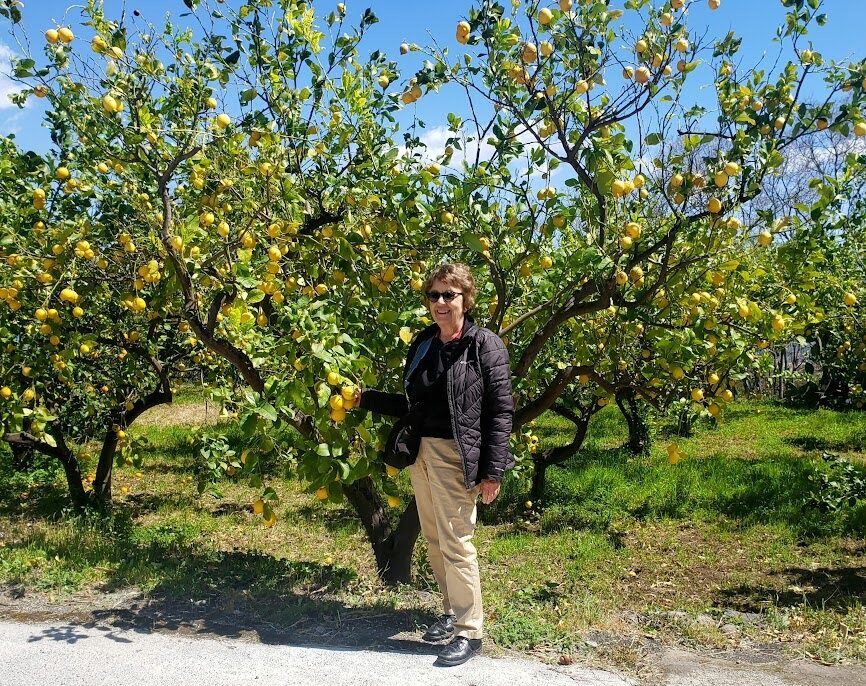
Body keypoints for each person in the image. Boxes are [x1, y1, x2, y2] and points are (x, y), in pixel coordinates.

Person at [351, 262, 514, 666]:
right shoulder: (424, 343)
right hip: (421, 453)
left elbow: (500, 412)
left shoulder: (484, 345)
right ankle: (451, 611)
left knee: (456, 540)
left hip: (456, 454)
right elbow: (412, 404)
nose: (440, 302)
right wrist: (366, 398)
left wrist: (492, 471)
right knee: (435, 539)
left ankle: (470, 631)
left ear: (466, 299)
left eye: (449, 295)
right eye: (434, 295)